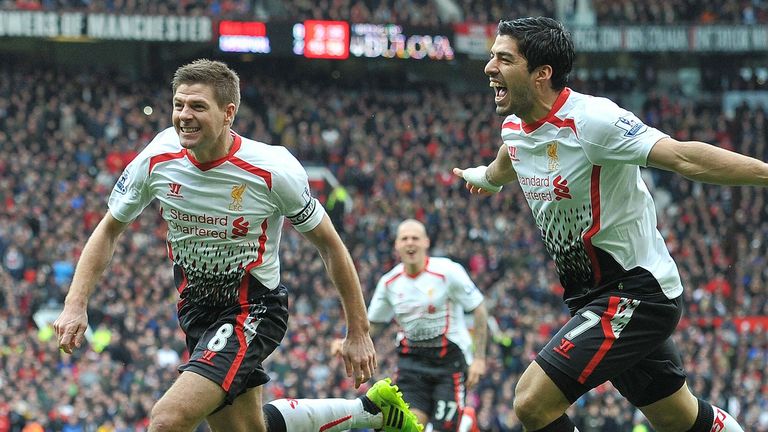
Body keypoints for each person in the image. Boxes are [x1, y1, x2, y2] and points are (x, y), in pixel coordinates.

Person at [53, 59, 423, 432]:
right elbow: (108, 230)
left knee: (168, 420)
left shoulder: (272, 170)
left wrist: (357, 330)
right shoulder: (156, 159)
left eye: (198, 106)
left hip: (253, 308)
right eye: (179, 104)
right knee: (247, 428)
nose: (184, 115)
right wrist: (75, 304)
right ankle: (371, 411)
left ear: (228, 113)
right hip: (197, 311)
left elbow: (329, 245)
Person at [453, 16, 757, 432]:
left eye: (504, 59)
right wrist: (486, 178)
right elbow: (512, 156)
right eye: (492, 57)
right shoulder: (514, 125)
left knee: (530, 403)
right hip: (590, 295)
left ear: (542, 74)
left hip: (635, 293)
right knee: (678, 418)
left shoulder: (593, 121)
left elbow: (684, 157)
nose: (489, 68)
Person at [333, 219, 488, 432]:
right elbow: (373, 325)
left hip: (449, 365)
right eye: (404, 239)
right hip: (412, 365)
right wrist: (347, 341)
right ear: (397, 245)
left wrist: (479, 359)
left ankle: (466, 420)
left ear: (426, 242)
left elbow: (479, 309)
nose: (410, 243)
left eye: (415, 238)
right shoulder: (389, 282)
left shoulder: (448, 272)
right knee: (409, 428)